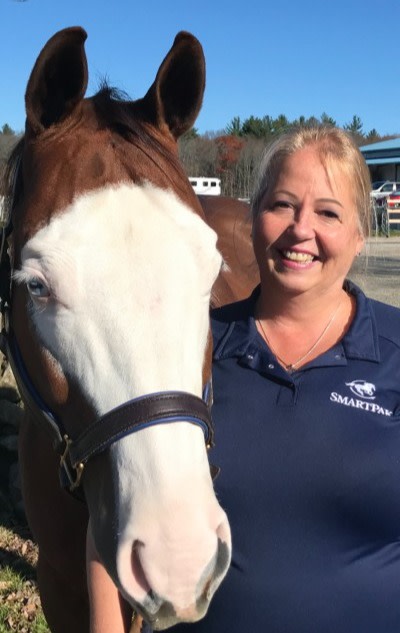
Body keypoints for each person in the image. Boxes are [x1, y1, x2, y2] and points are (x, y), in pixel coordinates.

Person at [90, 126, 400, 632]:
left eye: (328, 212)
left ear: (360, 234)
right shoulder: (189, 348)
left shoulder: (395, 352)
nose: (301, 229)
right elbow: (109, 510)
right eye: (282, 204)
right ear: (254, 215)